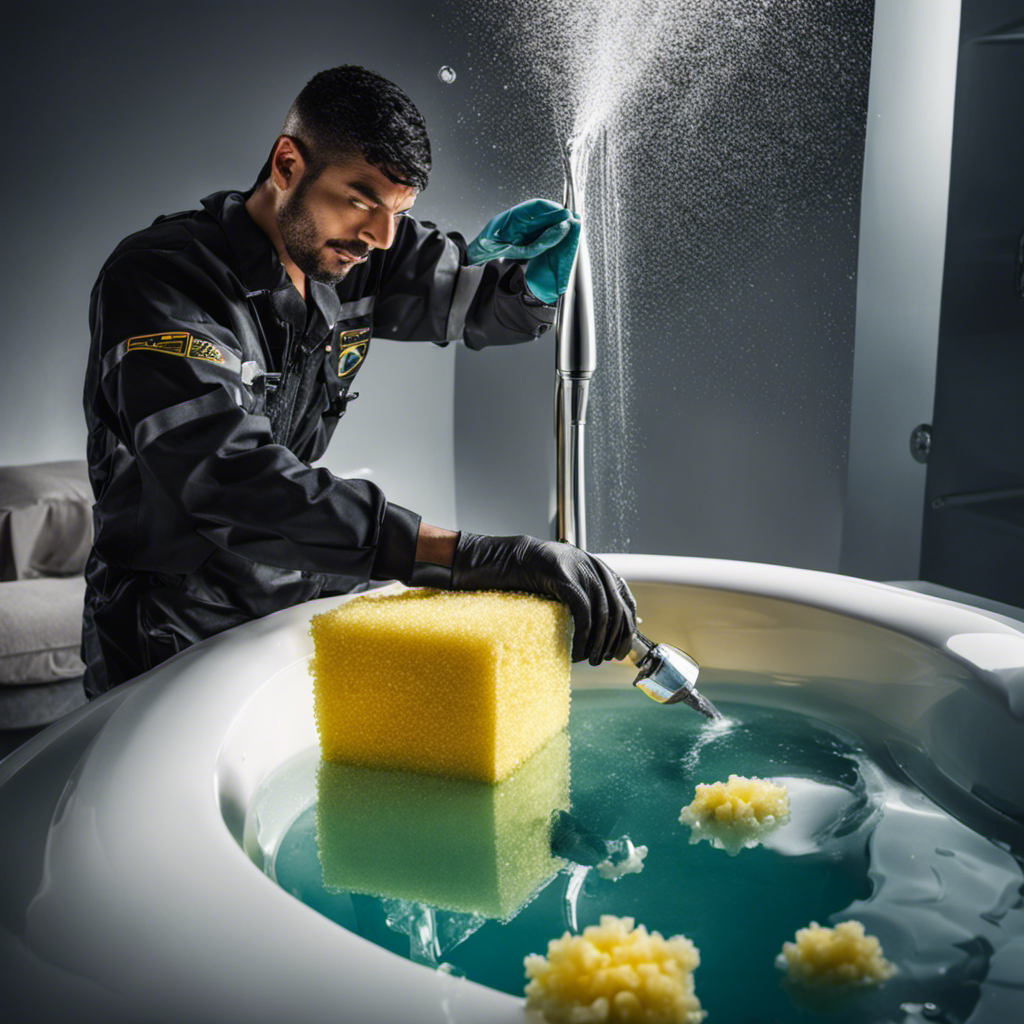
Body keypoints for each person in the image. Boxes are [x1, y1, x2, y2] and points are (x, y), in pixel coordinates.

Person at [81, 64, 636, 698]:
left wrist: (531, 286)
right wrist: (463, 554)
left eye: (400, 211)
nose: (380, 236)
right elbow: (224, 477)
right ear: (287, 164)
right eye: (361, 198)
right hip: (171, 622)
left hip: (298, 591)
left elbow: (480, 300)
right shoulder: (164, 279)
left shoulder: (359, 253)